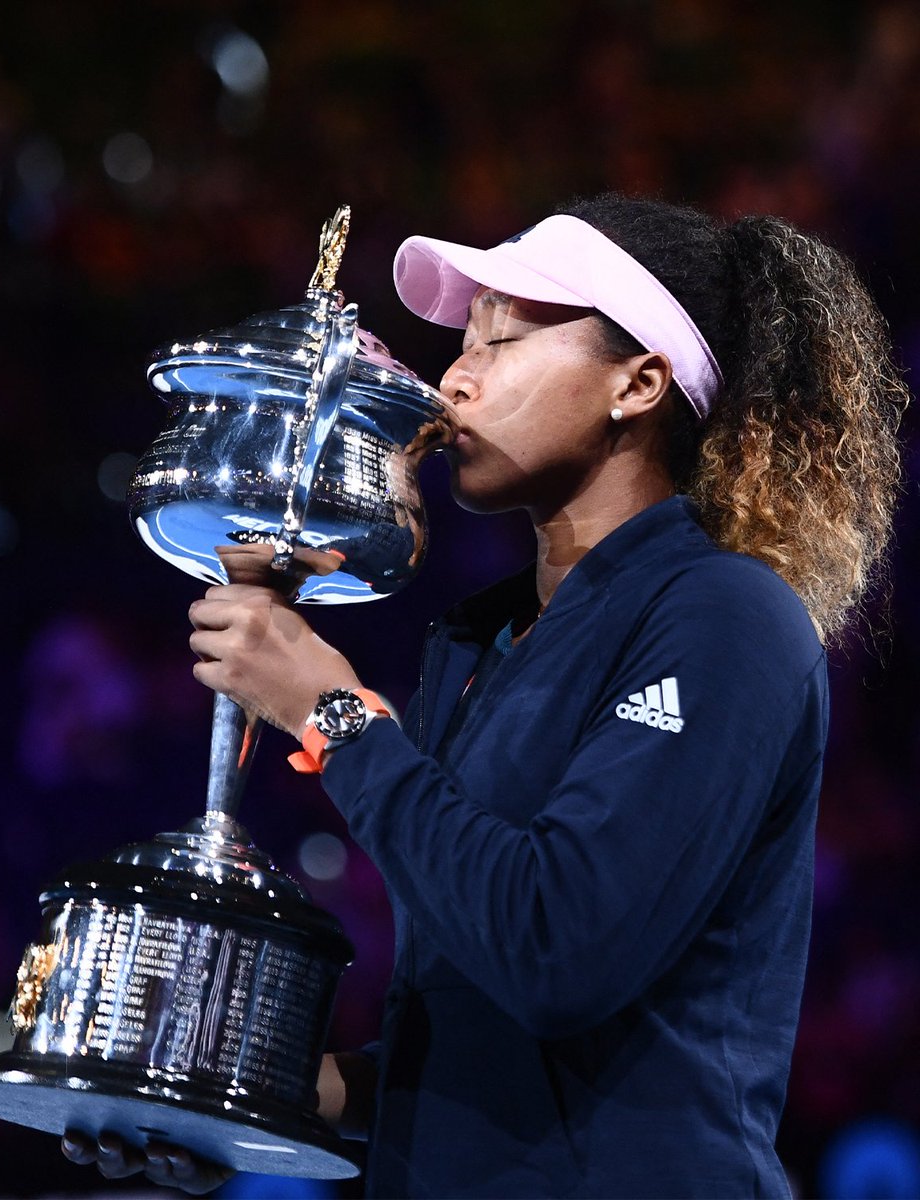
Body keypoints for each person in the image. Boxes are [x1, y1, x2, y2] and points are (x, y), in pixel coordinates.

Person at [62, 193, 907, 1197]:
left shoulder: (728, 616)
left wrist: (335, 717)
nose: (452, 379)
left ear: (637, 383)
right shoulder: (485, 643)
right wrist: (244, 1094)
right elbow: (483, 1054)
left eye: (501, 341)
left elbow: (557, 949)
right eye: (462, 342)